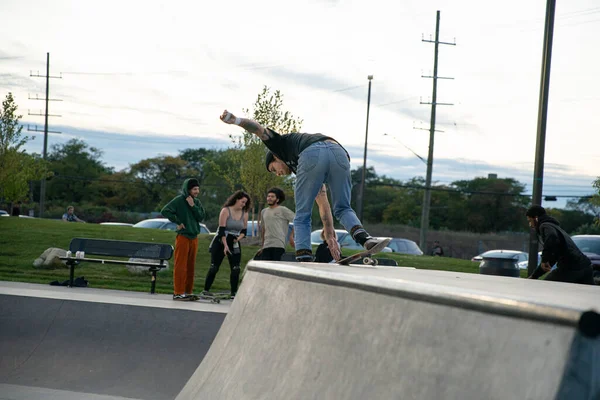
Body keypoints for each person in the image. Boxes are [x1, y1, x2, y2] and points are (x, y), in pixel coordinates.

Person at [219, 109, 387, 262]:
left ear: (276, 158)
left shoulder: (279, 146)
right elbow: (323, 203)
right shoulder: (302, 164)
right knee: (343, 207)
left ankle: (304, 256)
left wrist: (235, 120)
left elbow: (258, 129)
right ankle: (365, 239)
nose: (278, 174)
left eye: (273, 169)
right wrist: (329, 236)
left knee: (302, 214)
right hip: (340, 154)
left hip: (312, 153)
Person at [161, 178, 206, 301]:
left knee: (191, 266)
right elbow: (165, 211)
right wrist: (178, 221)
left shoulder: (196, 202)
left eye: (198, 189)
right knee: (181, 265)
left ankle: (187, 291)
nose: (197, 191)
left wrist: (193, 206)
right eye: (194, 189)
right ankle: (178, 292)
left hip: (194, 237)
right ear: (188, 189)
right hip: (183, 237)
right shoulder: (179, 200)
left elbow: (201, 217)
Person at [526, 205, 595, 285]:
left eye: (530, 221)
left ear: (536, 218)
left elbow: (552, 237)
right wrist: (534, 276)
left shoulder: (545, 226)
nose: (530, 225)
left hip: (571, 268)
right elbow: (551, 259)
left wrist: (544, 259)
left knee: (545, 287)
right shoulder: (555, 227)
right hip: (586, 266)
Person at [203, 190, 250, 299]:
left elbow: (244, 231)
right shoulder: (226, 210)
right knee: (214, 266)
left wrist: (238, 238)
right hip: (221, 240)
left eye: (245, 203)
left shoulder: (245, 213)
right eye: (242, 202)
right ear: (236, 199)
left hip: (234, 240)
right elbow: (221, 230)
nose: (244, 205)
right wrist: (225, 246)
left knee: (236, 268)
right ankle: (206, 290)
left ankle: (233, 292)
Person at [256, 187, 295, 261]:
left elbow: (297, 221)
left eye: (272, 196)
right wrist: (262, 246)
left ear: (277, 199)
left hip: (279, 244)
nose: (269, 198)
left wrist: (291, 236)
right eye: (268, 196)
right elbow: (263, 229)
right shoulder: (263, 211)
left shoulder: (283, 210)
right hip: (267, 245)